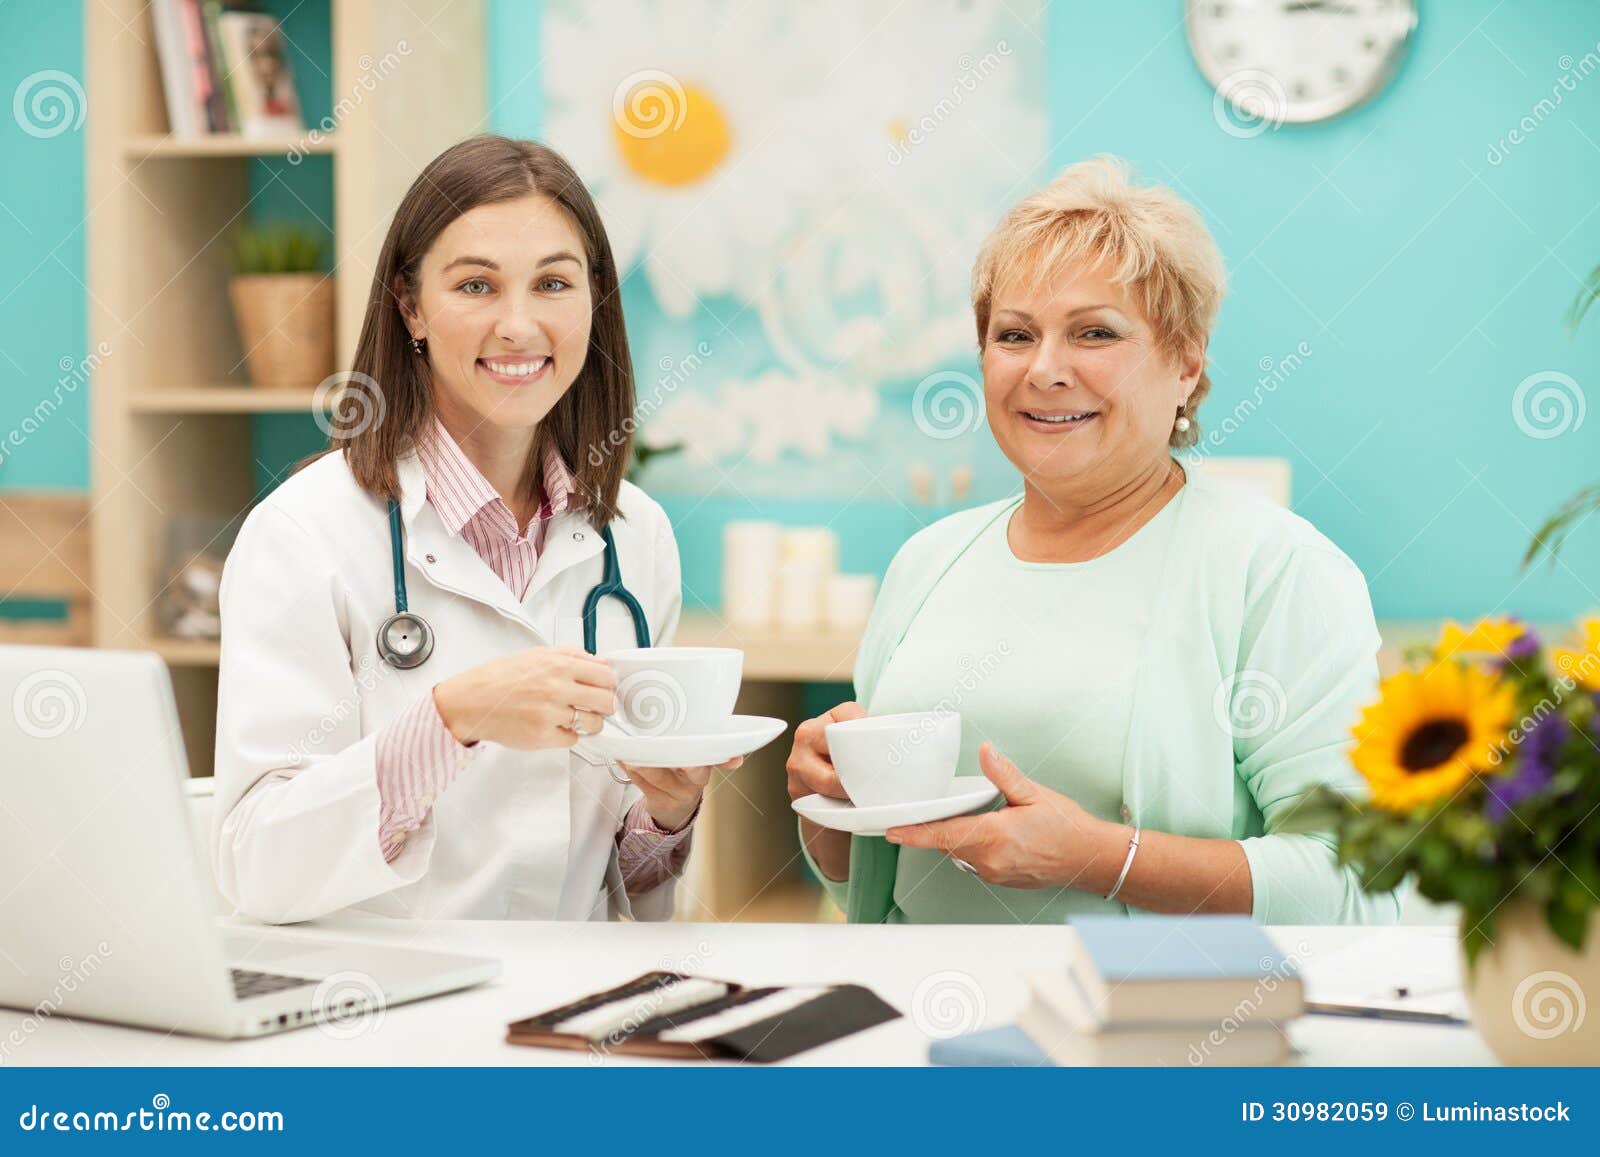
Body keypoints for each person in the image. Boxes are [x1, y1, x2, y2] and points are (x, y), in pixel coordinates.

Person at [786, 156, 1400, 925]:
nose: (1045, 370)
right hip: (916, 999)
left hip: (1144, 1005)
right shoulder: (929, 562)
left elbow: (1355, 884)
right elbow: (880, 883)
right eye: (1015, 334)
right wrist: (828, 804)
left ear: (1186, 364)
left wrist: (1103, 859)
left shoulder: (1276, 570)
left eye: (1094, 333)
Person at [213, 136, 733, 925]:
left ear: (594, 300)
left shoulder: (635, 535)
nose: (518, 326)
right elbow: (258, 863)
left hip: (571, 992)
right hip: (379, 991)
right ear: (410, 306)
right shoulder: (301, 533)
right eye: (476, 285)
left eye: (553, 283)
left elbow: (619, 884)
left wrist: (666, 817)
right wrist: (450, 719)